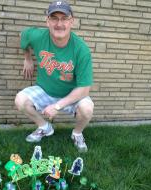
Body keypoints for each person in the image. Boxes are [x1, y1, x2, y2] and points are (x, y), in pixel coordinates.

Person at [15, 0, 94, 152]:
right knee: (20, 100)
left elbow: (84, 89)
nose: (59, 24)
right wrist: (27, 58)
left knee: (87, 109)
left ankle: (77, 134)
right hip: (45, 90)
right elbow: (24, 35)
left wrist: (58, 106)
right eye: (54, 18)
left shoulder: (81, 49)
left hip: (70, 94)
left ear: (72, 21)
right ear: (47, 21)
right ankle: (44, 127)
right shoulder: (38, 36)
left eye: (64, 18)